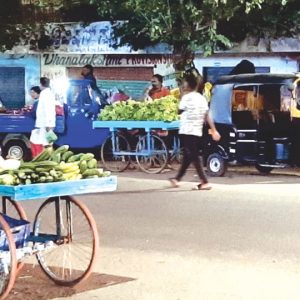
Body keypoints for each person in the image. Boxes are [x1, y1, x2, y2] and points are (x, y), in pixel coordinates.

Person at [169, 75, 221, 190]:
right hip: (197, 131)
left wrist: (182, 94)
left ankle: (204, 181)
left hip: (187, 130)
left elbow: (179, 111)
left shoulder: (186, 98)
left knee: (194, 156)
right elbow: (207, 115)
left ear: (187, 85)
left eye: (185, 83)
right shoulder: (201, 98)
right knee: (189, 156)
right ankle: (176, 179)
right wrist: (214, 129)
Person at [30, 77, 56, 158]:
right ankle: (46, 160)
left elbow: (49, 110)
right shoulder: (46, 93)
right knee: (44, 143)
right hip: (44, 124)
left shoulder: (46, 94)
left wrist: (49, 125)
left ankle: (48, 161)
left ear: (41, 84)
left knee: (47, 144)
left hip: (46, 124)